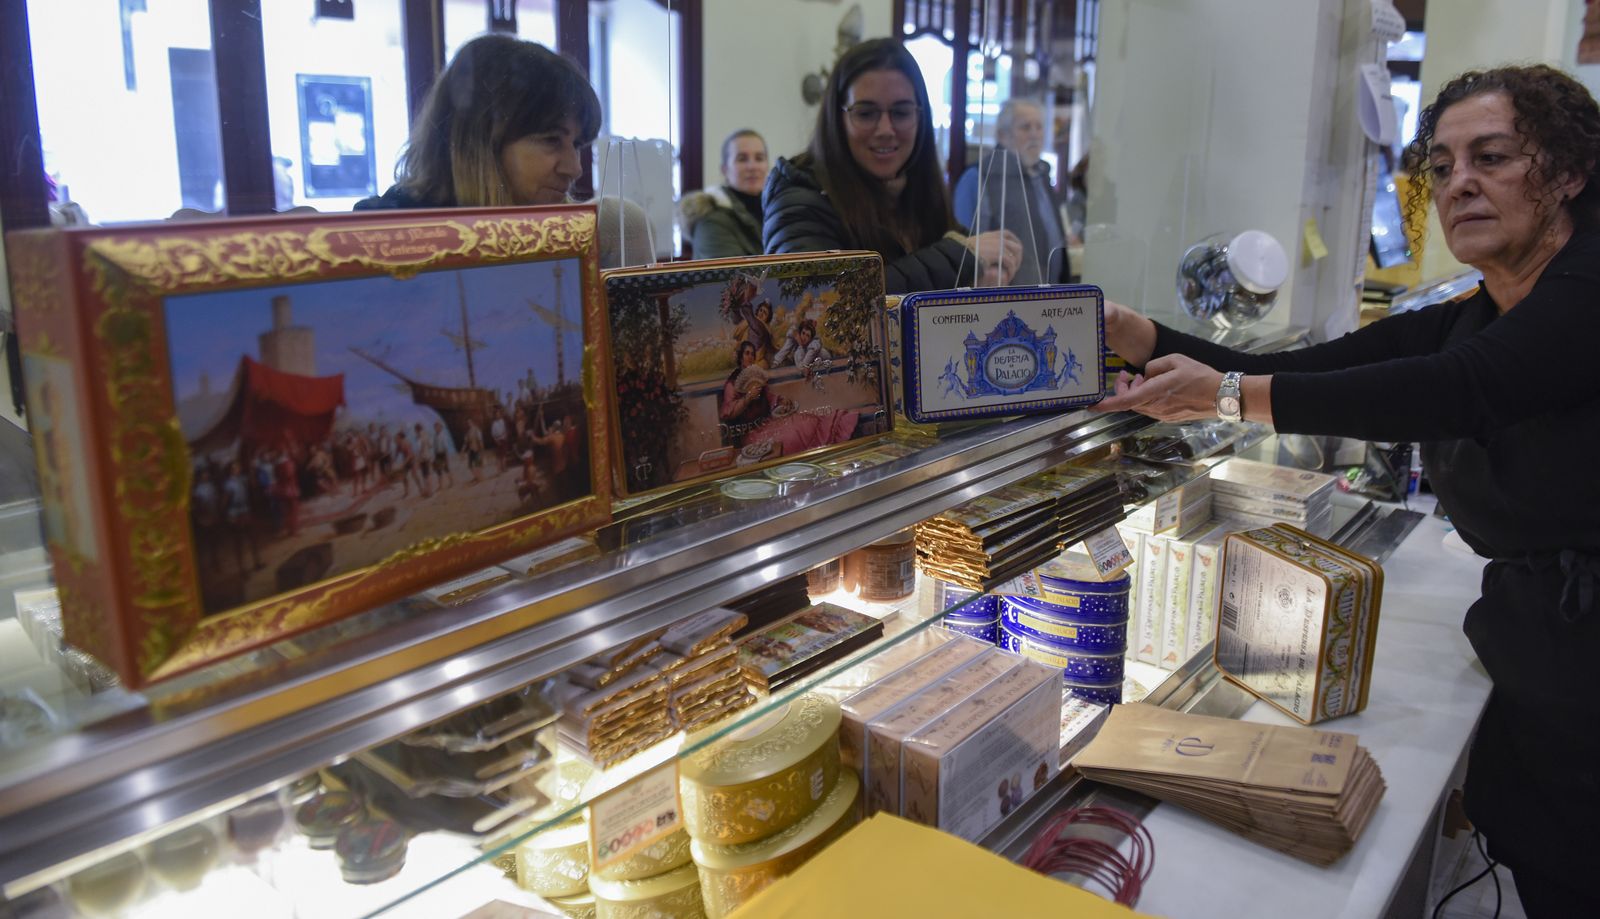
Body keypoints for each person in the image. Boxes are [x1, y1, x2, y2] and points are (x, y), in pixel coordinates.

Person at [1092, 65, 1600, 918]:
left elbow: (1462, 390)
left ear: (1570, 172)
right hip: (1546, 656)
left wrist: (1229, 399)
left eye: (1493, 156)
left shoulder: (1583, 293)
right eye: (1441, 166)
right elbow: (1310, 367)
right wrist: (1146, 338)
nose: (1459, 183)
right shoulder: (1487, 305)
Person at [353, 34, 649, 269]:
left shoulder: (577, 241)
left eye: (576, 144)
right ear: (480, 141)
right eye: (551, 140)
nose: (574, 169)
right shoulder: (375, 244)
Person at [763, 38, 1022, 294]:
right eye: (866, 113)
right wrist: (962, 257)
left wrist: (990, 269)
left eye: (900, 112)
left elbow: (962, 259)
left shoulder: (914, 190)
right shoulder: (797, 196)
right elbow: (825, 303)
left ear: (920, 117)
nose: (885, 130)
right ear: (836, 119)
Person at [951, 99, 1071, 283]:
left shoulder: (1042, 176)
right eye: (1025, 127)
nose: (1034, 135)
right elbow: (962, 247)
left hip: (1049, 299)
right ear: (1002, 135)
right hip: (1003, 302)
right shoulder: (978, 177)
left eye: (1039, 127)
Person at [680, 129, 770, 259]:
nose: (752, 166)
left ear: (767, 165)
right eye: (742, 159)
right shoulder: (711, 222)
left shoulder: (776, 212)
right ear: (725, 169)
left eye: (759, 158)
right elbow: (732, 278)